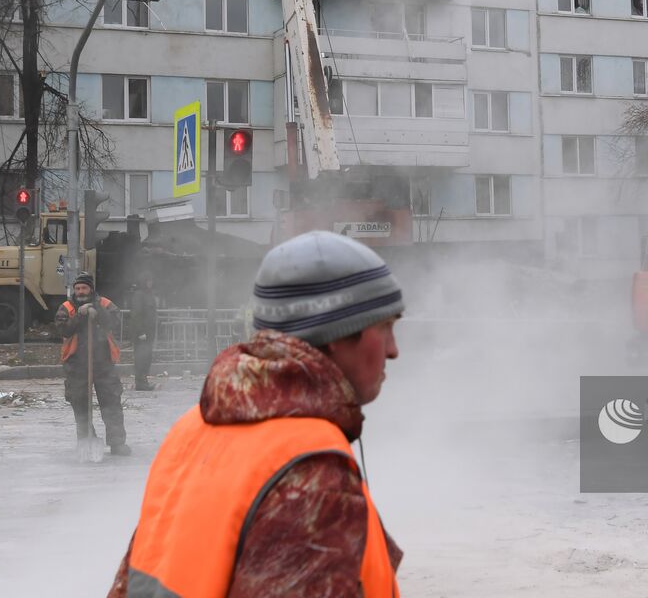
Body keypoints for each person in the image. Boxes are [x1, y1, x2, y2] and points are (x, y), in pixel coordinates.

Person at [107, 230, 404, 598]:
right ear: (336, 334)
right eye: (385, 326)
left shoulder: (192, 429)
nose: (393, 350)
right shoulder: (311, 470)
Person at [54, 272, 130, 456]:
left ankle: (117, 443)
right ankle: (87, 440)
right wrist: (79, 317)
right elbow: (63, 330)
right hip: (76, 365)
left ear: (91, 289)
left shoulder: (105, 304)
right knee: (80, 406)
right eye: (78, 288)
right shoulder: (66, 308)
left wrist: (98, 313)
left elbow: (115, 322)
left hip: (103, 363)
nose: (80, 291)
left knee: (111, 403)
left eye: (84, 288)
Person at [128, 272, 159, 391]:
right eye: (148, 281)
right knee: (141, 358)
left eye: (151, 281)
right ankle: (141, 382)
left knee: (147, 357)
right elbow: (136, 314)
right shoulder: (139, 295)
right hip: (142, 334)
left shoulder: (148, 295)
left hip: (149, 333)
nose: (150, 283)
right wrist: (140, 331)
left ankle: (143, 380)